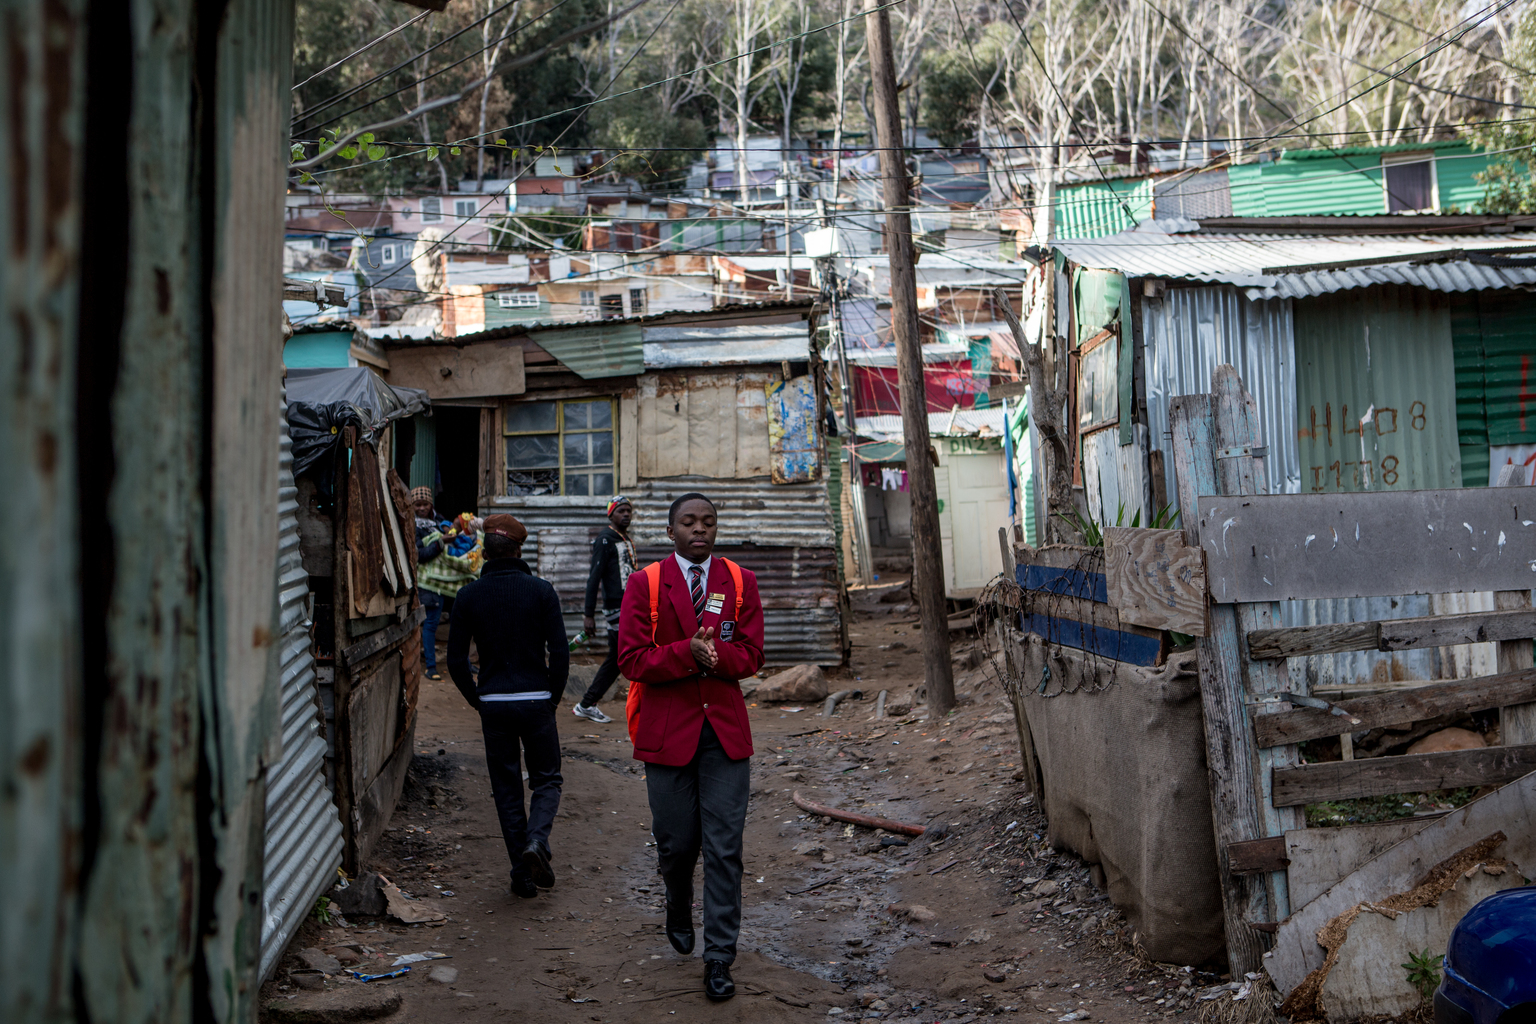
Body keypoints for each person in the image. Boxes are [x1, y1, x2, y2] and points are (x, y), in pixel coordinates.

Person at [617, 492, 764, 1002]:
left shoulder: (740, 582)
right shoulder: (646, 584)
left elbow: (751, 655)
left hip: (724, 735)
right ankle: (677, 904)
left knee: (725, 850)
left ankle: (719, 958)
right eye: (688, 522)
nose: (698, 530)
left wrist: (714, 655)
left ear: (716, 528)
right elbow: (632, 659)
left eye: (707, 522)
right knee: (677, 845)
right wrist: (686, 652)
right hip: (665, 734)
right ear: (670, 531)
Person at [446, 513, 569, 899]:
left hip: (494, 702)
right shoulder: (541, 591)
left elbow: (455, 661)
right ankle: (537, 842)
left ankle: (522, 874)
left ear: (485, 550)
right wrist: (553, 696)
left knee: (506, 787)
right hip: (536, 698)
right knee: (547, 778)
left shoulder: (468, 596)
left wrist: (478, 699)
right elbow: (560, 653)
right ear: (518, 549)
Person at [574, 495, 637, 724]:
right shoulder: (605, 539)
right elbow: (594, 578)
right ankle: (587, 703)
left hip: (629, 605)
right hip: (616, 608)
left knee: (619, 656)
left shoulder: (625, 539)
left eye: (629, 510)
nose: (626, 514)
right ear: (610, 515)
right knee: (620, 657)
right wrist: (588, 614)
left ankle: (587, 703)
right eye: (621, 511)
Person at [416, 497, 481, 681]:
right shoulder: (414, 527)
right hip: (431, 582)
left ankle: (465, 664)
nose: (422, 508)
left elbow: (460, 538)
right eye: (417, 505)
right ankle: (430, 667)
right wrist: (440, 542)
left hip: (452, 582)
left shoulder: (438, 521)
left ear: (431, 505)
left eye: (425, 504)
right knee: (431, 623)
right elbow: (419, 555)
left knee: (461, 623)